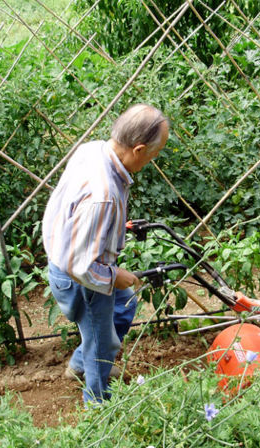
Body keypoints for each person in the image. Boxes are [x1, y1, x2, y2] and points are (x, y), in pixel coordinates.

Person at [42, 104, 169, 404]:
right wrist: (115, 275)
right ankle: (98, 409)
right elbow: (81, 267)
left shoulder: (94, 149)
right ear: (139, 149)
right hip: (79, 277)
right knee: (101, 349)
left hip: (67, 256)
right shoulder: (103, 196)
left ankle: (77, 365)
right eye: (155, 153)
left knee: (124, 306)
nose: (155, 159)